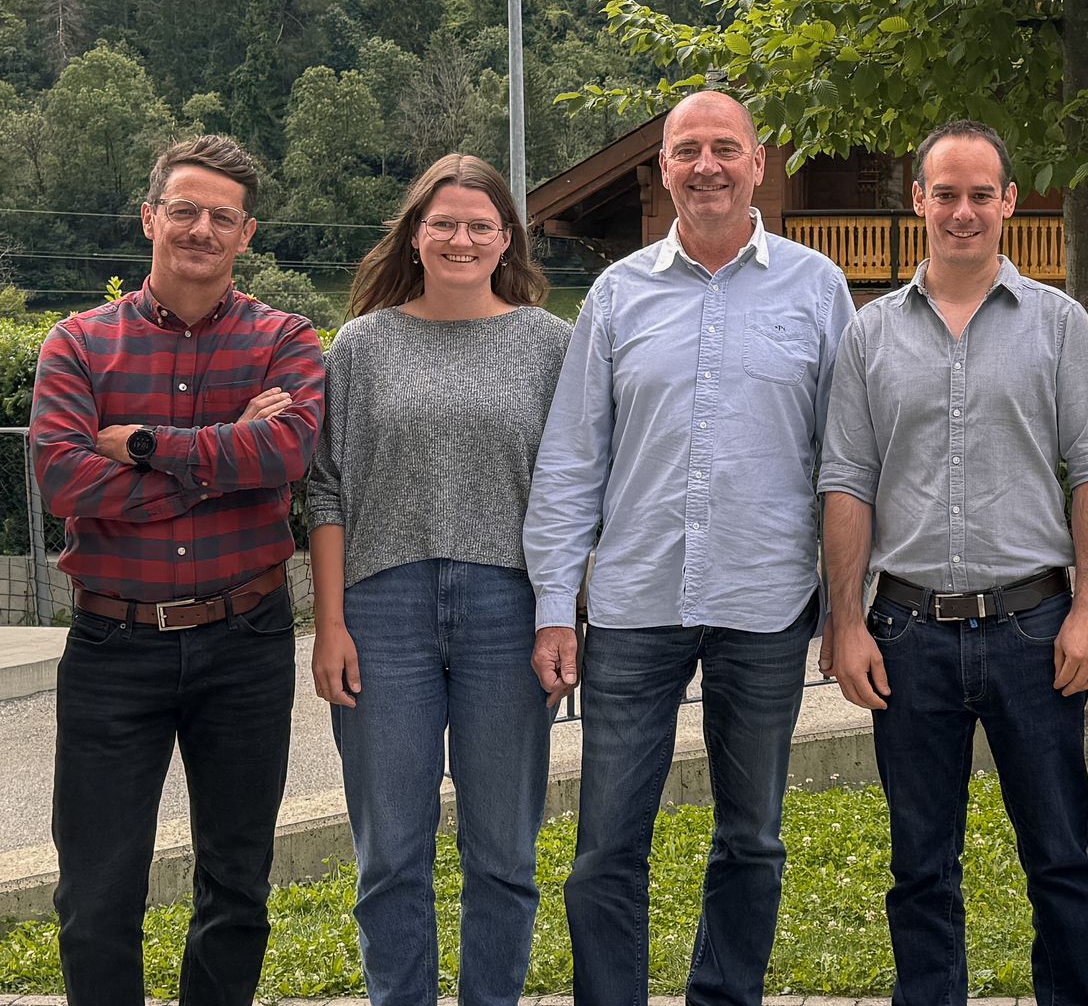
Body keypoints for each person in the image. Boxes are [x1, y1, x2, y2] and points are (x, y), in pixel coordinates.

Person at [523, 89, 854, 1005]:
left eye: (725, 148)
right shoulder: (617, 295)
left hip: (767, 602)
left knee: (752, 837)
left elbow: (848, 462)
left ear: (757, 165)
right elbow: (570, 464)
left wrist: (844, 606)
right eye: (686, 150)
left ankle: (725, 996)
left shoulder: (818, 288)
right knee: (604, 847)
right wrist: (557, 605)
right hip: (634, 607)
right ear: (662, 168)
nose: (705, 165)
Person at [820, 119, 1088, 1006]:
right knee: (920, 868)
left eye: (979, 195)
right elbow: (847, 482)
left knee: (1062, 862)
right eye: (944, 193)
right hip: (906, 632)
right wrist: (845, 623)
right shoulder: (870, 334)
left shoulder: (1059, 324)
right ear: (918, 200)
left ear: (1008, 202)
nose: (962, 211)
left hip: (1037, 629)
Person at [30, 135, 324, 1005]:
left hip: (248, 640)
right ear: (150, 216)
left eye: (221, 217)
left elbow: (289, 454)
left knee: (237, 885)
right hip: (113, 645)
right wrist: (225, 459)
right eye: (184, 210)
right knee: (95, 892)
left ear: (246, 234)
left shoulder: (287, 338)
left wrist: (149, 450)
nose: (201, 228)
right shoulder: (79, 344)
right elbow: (60, 479)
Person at [307, 153, 571, 1004]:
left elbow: (576, 489)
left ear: (506, 241)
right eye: (444, 223)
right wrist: (331, 621)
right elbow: (325, 487)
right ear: (416, 235)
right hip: (383, 609)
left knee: (504, 851)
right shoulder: (361, 346)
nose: (462, 238)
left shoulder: (550, 345)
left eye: (481, 225)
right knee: (390, 852)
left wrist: (566, 612)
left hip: (512, 606)